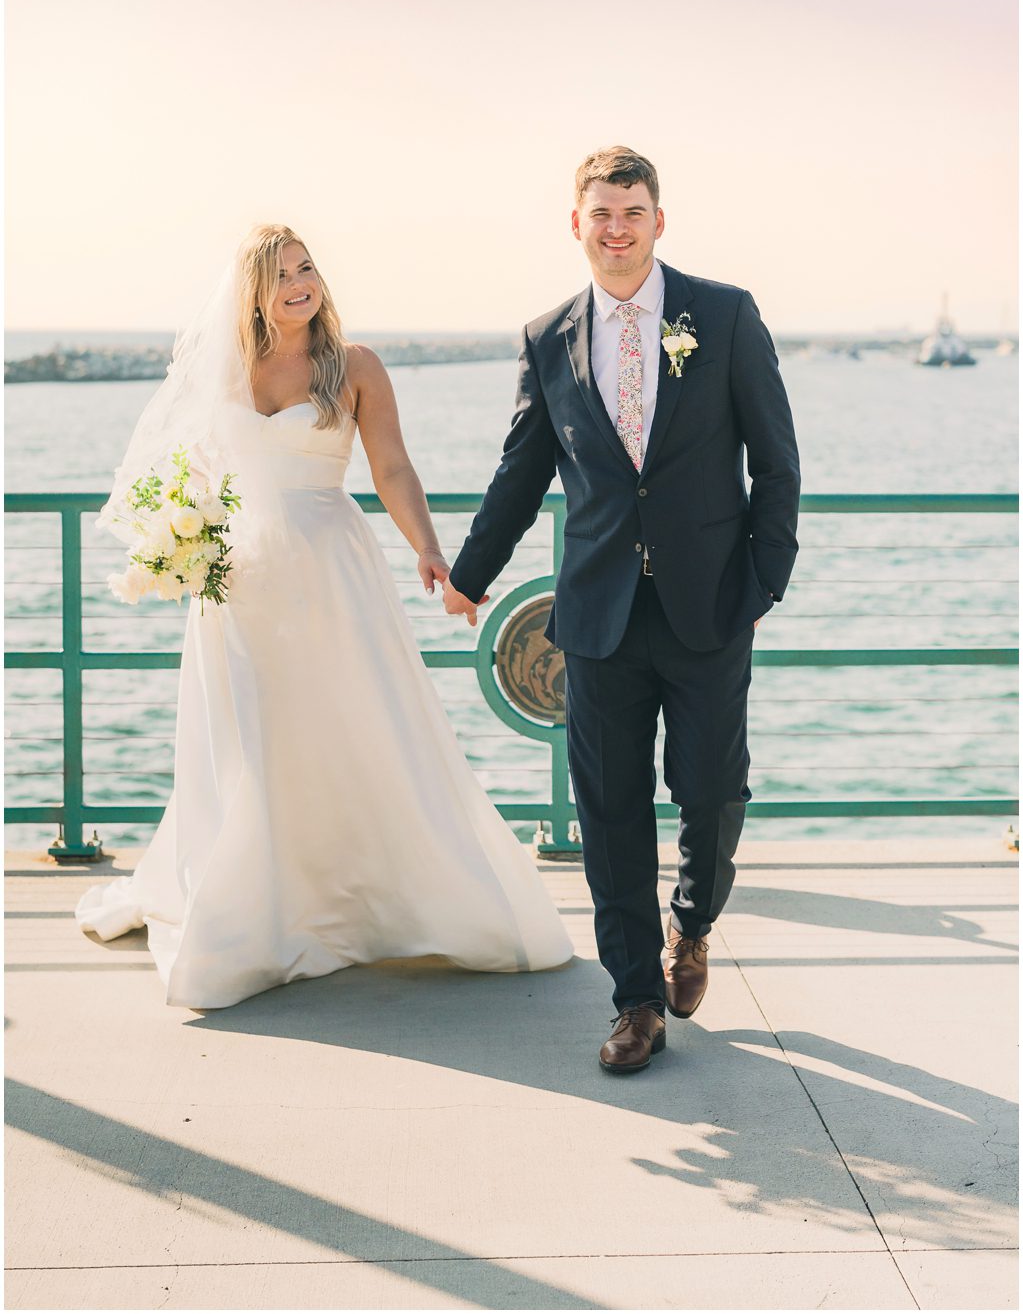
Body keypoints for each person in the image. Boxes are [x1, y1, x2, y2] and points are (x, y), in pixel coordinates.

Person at [76, 225, 572, 1008]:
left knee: (354, 726)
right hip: (239, 582)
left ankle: (359, 904)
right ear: (253, 291)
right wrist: (180, 539)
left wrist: (430, 550)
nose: (299, 284)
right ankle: (255, 908)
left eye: (306, 268)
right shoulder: (227, 372)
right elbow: (192, 474)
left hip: (332, 569)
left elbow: (393, 468)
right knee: (252, 736)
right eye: (280, 275)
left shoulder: (356, 366)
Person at [444, 148, 800, 1074]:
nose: (615, 228)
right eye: (600, 212)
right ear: (575, 223)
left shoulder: (721, 315)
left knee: (713, 791)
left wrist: (764, 581)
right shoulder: (546, 337)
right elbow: (520, 472)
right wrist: (470, 572)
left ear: (657, 220)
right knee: (608, 809)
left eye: (632, 212)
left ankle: (693, 922)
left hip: (711, 605)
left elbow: (777, 458)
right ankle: (636, 1000)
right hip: (597, 615)